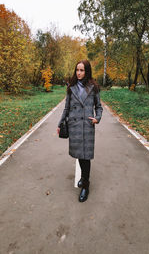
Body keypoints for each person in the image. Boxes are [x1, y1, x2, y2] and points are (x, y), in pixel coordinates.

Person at [57, 60, 103, 202]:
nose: (78, 73)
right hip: (75, 126)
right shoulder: (71, 87)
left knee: (86, 157)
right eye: (77, 70)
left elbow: (99, 107)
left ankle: (86, 186)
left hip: (87, 126)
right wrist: (60, 123)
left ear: (87, 71)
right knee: (79, 154)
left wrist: (97, 118)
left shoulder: (93, 87)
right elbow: (66, 108)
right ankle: (83, 179)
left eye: (82, 70)